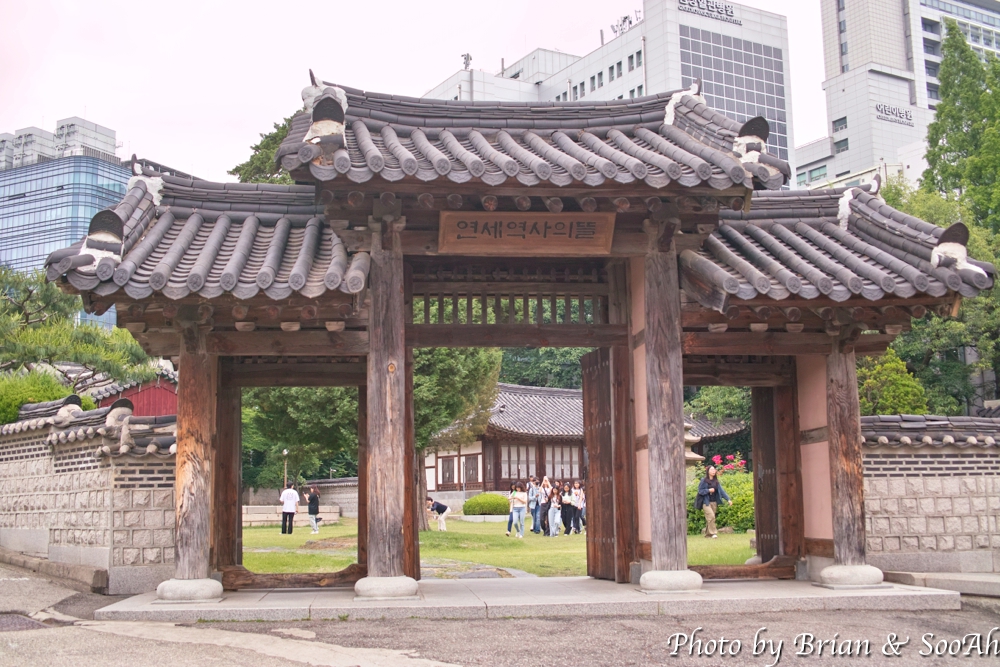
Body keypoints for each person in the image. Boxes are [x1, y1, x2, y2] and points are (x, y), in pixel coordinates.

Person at [696, 466, 732, 539]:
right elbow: (700, 491)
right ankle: (713, 533)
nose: (713, 471)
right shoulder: (704, 480)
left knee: (710, 518)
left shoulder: (716, 481)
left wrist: (728, 499)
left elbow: (722, 491)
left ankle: (708, 534)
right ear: (708, 471)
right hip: (706, 502)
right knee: (711, 516)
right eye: (711, 469)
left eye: (714, 469)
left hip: (714, 502)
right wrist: (708, 490)